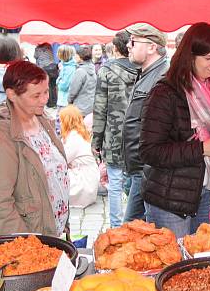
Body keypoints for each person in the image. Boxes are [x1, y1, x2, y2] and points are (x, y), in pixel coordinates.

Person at [139, 22, 210, 238]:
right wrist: (201, 149)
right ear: (189, 56)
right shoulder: (165, 93)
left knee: (208, 259)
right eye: (208, 58)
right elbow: (149, 151)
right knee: (175, 263)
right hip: (171, 201)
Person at [0, 60, 69, 238]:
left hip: (52, 231)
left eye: (46, 92)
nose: (45, 99)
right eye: (36, 96)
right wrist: (29, 246)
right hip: (27, 239)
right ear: (12, 95)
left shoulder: (43, 119)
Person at [121, 23, 169, 223]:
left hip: (147, 169)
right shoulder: (148, 72)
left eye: (132, 42)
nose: (128, 46)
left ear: (151, 47)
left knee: (130, 228)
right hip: (138, 167)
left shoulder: (162, 77)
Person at [93, 30, 139, 227]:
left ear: (114, 48)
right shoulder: (143, 69)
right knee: (137, 180)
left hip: (113, 133)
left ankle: (116, 226)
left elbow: (100, 108)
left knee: (115, 183)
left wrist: (96, 139)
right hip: (137, 133)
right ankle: (134, 222)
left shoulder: (107, 71)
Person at [60, 105, 99, 208]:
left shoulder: (73, 137)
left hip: (83, 182)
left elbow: (61, 160)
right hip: (89, 178)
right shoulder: (80, 133)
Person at [68, 45, 97, 117]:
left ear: (80, 57)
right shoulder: (93, 68)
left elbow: (73, 91)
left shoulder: (80, 71)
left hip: (80, 107)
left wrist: (69, 101)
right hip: (91, 106)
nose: (75, 56)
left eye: (76, 55)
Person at [34, 43, 59, 108]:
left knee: (47, 86)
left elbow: (35, 56)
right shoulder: (49, 46)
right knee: (53, 86)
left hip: (44, 68)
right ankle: (55, 102)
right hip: (53, 67)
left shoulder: (38, 48)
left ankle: (50, 103)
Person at [55, 45, 77, 109]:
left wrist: (58, 82)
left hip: (65, 101)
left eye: (59, 53)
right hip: (63, 99)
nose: (57, 54)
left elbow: (64, 86)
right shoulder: (65, 65)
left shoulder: (69, 68)